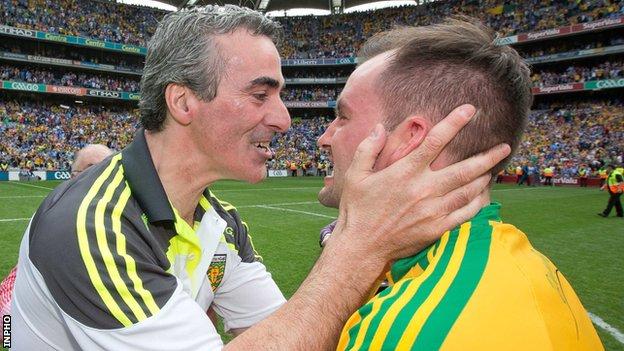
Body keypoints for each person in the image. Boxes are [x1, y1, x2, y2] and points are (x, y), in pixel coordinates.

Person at [10, 6, 508, 350]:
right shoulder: (94, 227)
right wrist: (361, 248)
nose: (284, 119)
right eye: (260, 94)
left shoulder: (219, 225)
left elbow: (286, 330)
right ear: (184, 102)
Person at [316, 20, 603, 350]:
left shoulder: (408, 330)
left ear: (411, 138)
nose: (325, 137)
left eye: (343, 116)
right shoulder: (532, 269)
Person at [0, 143, 113, 316]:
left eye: (109, 169)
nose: (100, 176)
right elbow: (7, 307)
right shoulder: (53, 218)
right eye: (92, 170)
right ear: (72, 176)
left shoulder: (128, 219)